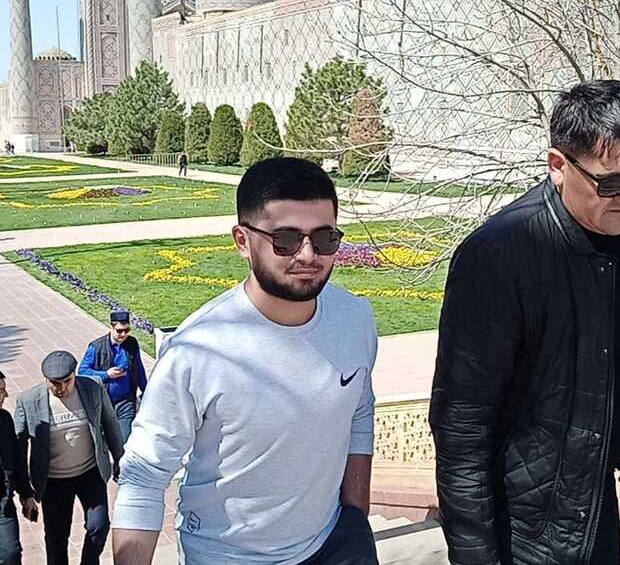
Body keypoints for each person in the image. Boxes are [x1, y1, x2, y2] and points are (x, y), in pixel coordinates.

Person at [112, 157, 379, 565]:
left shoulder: (355, 319)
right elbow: (145, 474)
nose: (308, 254)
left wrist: (356, 515)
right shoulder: (198, 350)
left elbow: (359, 410)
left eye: (325, 238)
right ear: (242, 240)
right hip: (228, 556)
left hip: (334, 542)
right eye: (286, 239)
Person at [430, 79, 620, 565]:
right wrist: (475, 555)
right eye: (612, 183)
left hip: (595, 506)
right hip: (524, 529)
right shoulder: (498, 257)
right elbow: (462, 427)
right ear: (558, 166)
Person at [14, 351, 124, 565]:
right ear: (45, 379)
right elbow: (19, 448)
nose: (61, 388)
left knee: (99, 526)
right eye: (54, 383)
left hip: (90, 473)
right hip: (54, 480)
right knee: (57, 538)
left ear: (74, 375)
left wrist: (120, 458)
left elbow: (110, 423)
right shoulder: (28, 401)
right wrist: (25, 493)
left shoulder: (93, 388)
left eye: (67, 381)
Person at [78, 311, 148, 442]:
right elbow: (82, 372)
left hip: (126, 401)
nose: (123, 335)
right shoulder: (96, 347)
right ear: (111, 327)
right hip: (104, 402)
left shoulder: (132, 343)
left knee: (124, 441)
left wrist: (146, 391)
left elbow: (139, 368)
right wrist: (106, 374)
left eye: (127, 330)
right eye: (119, 331)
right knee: (105, 440)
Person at [0, 371, 37, 565]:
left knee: (11, 553)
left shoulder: (5, 420)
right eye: (0, 391)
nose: (5, 395)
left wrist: (26, 495)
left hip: (3, 504)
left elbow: (17, 460)